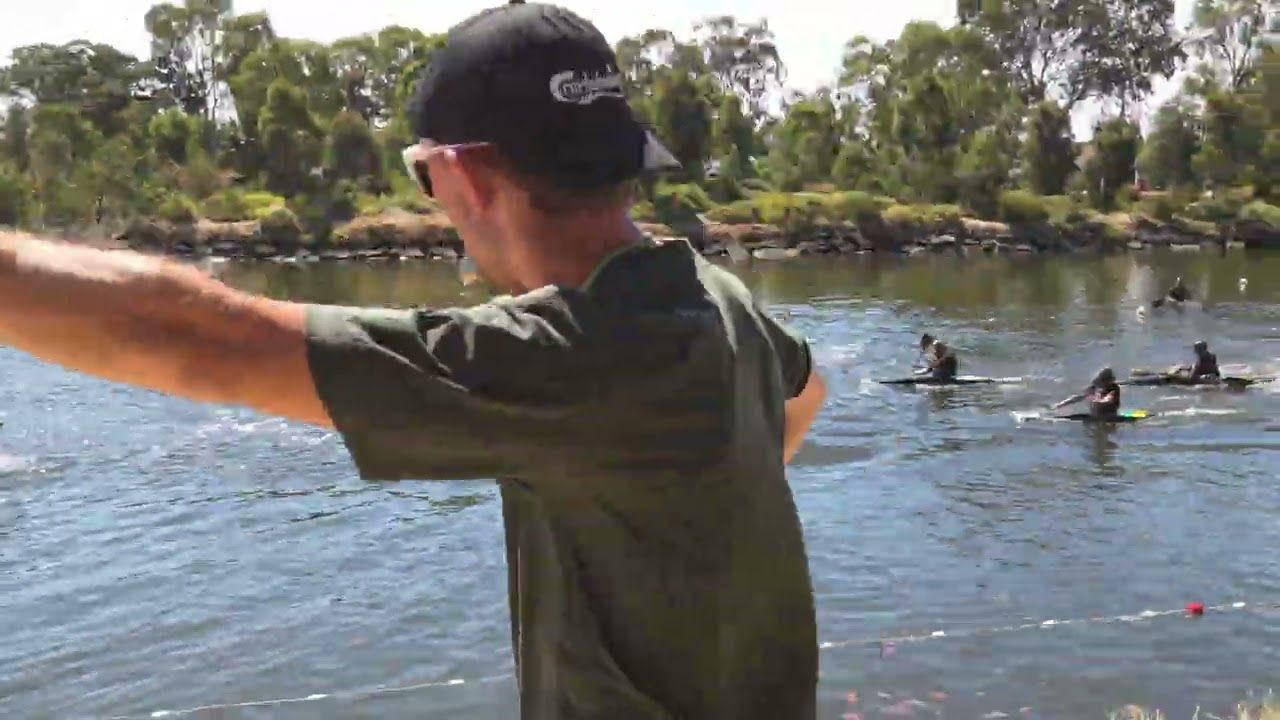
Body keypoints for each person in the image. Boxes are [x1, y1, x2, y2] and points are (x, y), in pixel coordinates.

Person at [0, 3, 828, 719]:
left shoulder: (572, 356)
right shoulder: (714, 294)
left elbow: (206, 341)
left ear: (460, 174)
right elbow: (806, 396)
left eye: (422, 177)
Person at [1054, 367, 1121, 418]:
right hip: (1096, 414)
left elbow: (1109, 400)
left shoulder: (1114, 388)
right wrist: (1061, 404)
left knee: (1096, 403)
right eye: (1101, 381)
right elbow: (1078, 398)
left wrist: (1098, 401)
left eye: (1105, 381)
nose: (1101, 384)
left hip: (1110, 413)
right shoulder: (1094, 387)